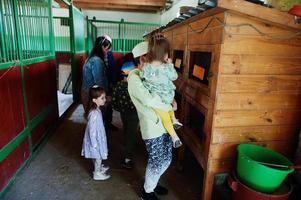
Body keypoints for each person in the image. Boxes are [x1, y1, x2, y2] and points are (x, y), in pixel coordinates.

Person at [128, 41, 174, 200]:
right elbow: (149, 100)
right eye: (152, 59)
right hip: (152, 128)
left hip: (163, 124)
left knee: (166, 158)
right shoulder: (134, 78)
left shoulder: (150, 74)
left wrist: (170, 100)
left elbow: (164, 87)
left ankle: (152, 183)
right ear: (142, 60)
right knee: (157, 161)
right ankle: (147, 192)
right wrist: (168, 106)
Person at [140, 35, 183, 148]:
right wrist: (170, 64)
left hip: (155, 98)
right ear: (165, 54)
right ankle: (174, 130)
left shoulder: (147, 66)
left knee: (165, 113)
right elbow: (174, 77)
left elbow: (142, 75)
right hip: (166, 96)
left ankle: (174, 128)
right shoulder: (166, 67)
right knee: (167, 111)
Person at [81, 35, 118, 130]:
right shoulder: (97, 61)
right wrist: (105, 97)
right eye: (106, 49)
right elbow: (100, 82)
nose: (107, 52)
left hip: (88, 92)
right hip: (93, 95)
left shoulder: (91, 58)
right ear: (102, 47)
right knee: (96, 121)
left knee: (93, 120)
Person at [112, 58, 139, 169]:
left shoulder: (118, 85)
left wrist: (119, 108)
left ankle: (127, 143)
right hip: (134, 114)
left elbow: (114, 101)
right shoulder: (135, 86)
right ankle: (127, 159)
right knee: (131, 134)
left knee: (126, 129)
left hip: (123, 113)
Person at [81, 85, 110, 181]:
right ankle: (97, 173)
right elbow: (92, 130)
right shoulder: (94, 113)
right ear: (94, 100)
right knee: (98, 156)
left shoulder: (97, 109)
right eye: (102, 98)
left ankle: (98, 167)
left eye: (104, 97)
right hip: (95, 139)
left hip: (98, 137)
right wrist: (94, 143)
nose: (104, 100)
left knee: (96, 156)